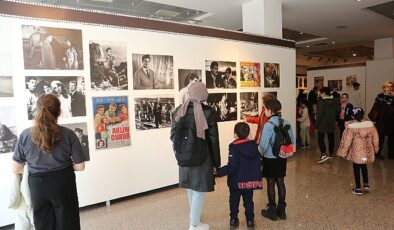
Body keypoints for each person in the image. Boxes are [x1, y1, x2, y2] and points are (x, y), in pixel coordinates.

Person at [12, 94, 87, 230]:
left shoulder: (25, 135)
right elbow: (80, 166)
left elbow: (16, 169)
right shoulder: (69, 135)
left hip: (37, 186)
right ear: (59, 111)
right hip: (63, 183)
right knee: (68, 222)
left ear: (37, 111)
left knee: (43, 224)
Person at [170, 82, 220, 230]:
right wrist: (217, 163)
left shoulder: (179, 110)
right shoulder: (208, 112)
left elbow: (173, 135)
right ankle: (194, 225)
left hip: (183, 156)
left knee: (190, 188)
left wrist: (179, 152)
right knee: (199, 191)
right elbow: (213, 140)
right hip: (202, 158)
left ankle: (194, 217)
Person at [216, 122, 262, 229]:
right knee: (249, 201)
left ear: (235, 134)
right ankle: (250, 221)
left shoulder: (234, 148)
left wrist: (218, 172)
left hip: (236, 181)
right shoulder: (254, 146)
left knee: (234, 200)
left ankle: (233, 219)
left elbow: (232, 166)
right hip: (249, 181)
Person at [259, 99, 294, 221]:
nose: (264, 111)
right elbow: (292, 141)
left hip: (269, 158)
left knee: (270, 182)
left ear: (269, 110)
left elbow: (263, 145)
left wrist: (261, 154)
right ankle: (282, 211)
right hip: (282, 157)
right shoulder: (286, 122)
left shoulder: (268, 125)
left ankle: (272, 211)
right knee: (280, 181)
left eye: (264, 109)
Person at [337, 107, 379, 195]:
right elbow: (375, 138)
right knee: (364, 166)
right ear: (363, 115)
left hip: (357, 152)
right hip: (367, 152)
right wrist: (376, 148)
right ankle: (366, 184)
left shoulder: (351, 127)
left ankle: (358, 188)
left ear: (353, 116)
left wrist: (343, 152)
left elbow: (347, 141)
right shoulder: (370, 125)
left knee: (356, 168)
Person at [368, 81, 394, 159]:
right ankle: (377, 154)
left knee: (392, 138)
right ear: (384, 88)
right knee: (380, 138)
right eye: (387, 86)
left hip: (392, 120)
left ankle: (391, 155)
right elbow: (376, 107)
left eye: (391, 86)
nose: (389, 88)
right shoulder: (380, 96)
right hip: (381, 120)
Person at [316, 87, 339, 164]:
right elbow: (337, 112)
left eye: (320, 93)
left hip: (323, 123)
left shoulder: (321, 101)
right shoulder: (335, 100)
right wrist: (335, 120)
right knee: (331, 138)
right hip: (331, 122)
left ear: (324, 93)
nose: (320, 94)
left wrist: (316, 124)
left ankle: (323, 154)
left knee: (320, 139)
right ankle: (331, 154)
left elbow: (319, 114)